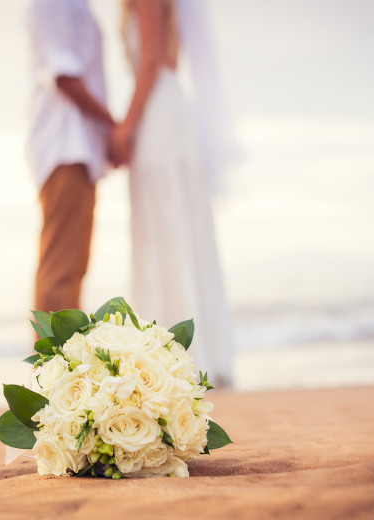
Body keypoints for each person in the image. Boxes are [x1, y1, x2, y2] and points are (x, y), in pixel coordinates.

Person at [110, 0, 235, 387]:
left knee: (162, 232)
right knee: (178, 230)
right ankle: (197, 352)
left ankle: (173, 358)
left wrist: (125, 127)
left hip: (158, 118)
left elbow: (152, 61)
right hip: (170, 112)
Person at [25, 0, 115, 315]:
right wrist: (111, 127)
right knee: (61, 270)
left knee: (72, 268)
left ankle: (61, 363)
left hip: (78, 145)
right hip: (65, 143)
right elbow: (62, 71)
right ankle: (51, 364)